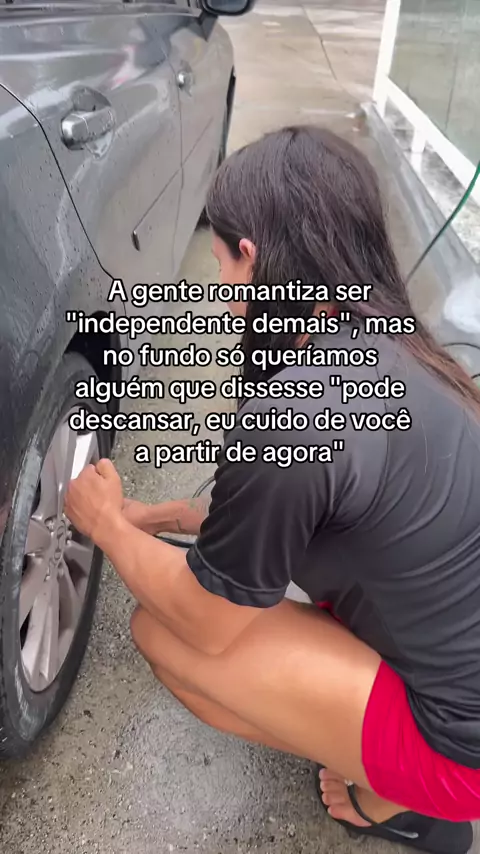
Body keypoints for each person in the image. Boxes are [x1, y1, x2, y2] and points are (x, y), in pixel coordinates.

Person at [65, 126, 480, 854]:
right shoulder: (402, 348)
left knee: (162, 634)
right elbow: (286, 509)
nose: (221, 287)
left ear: (252, 258)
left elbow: (208, 622)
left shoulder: (300, 412)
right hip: (457, 660)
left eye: (221, 260)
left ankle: (394, 800)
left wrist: (106, 525)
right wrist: (156, 516)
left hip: (457, 750)